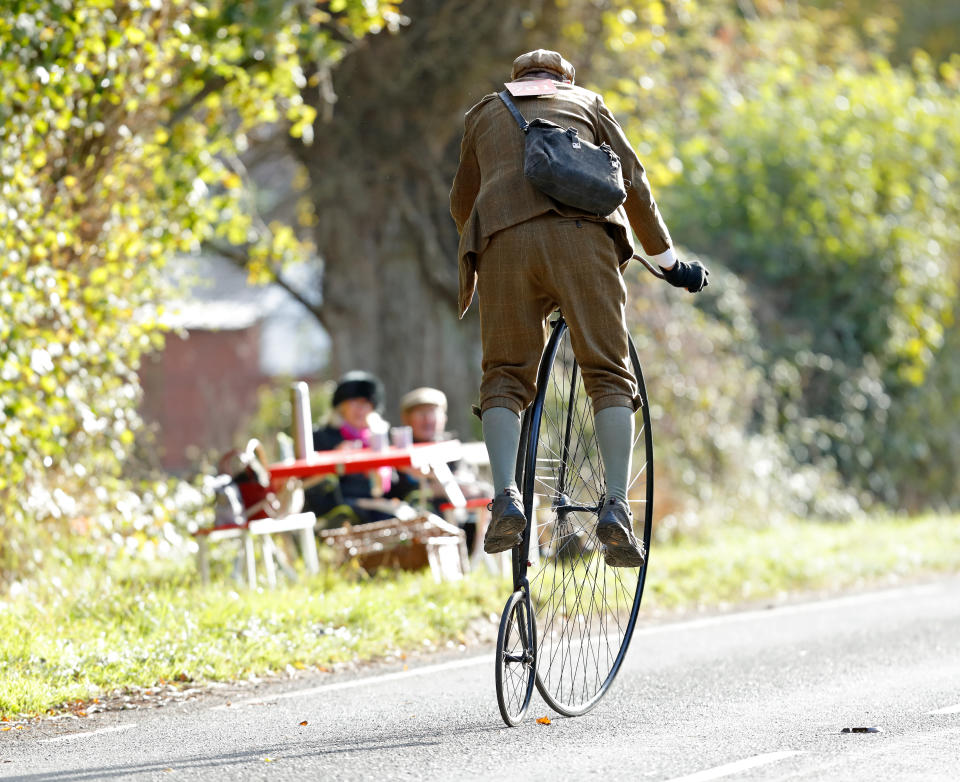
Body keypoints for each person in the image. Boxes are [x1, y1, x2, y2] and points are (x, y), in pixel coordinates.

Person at [450, 49, 709, 566]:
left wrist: (499, 237)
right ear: (563, 80)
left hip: (503, 247)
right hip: (583, 242)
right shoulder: (587, 103)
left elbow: (463, 200)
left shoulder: (484, 113)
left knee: (504, 374)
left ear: (517, 80)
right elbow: (631, 181)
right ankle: (615, 508)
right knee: (609, 374)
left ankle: (506, 498)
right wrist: (669, 263)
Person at [389, 387, 493, 550]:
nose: (428, 418)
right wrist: (435, 488)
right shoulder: (401, 453)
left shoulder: (451, 450)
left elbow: (476, 487)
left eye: (433, 412)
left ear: (443, 418)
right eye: (421, 413)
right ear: (407, 419)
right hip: (418, 529)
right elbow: (397, 491)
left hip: (463, 524)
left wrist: (461, 487)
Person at [304, 370, 396, 525]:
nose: (360, 409)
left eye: (365, 403)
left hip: (378, 506)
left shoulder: (379, 436)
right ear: (341, 406)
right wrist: (334, 459)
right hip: (338, 507)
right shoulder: (322, 436)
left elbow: (394, 482)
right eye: (354, 402)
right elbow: (311, 486)